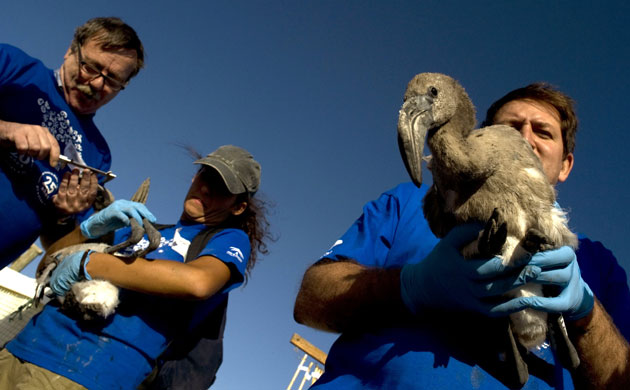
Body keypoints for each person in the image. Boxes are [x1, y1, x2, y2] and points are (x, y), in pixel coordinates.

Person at [293, 83, 630, 389]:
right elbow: (310, 302)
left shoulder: (595, 262)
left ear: (566, 164)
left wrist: (585, 313)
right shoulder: (409, 203)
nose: (525, 139)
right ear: (482, 136)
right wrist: (412, 285)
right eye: (511, 128)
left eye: (543, 132)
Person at [0, 145, 272, 389]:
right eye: (206, 176)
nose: (206, 188)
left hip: (84, 370)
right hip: (23, 344)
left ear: (238, 208)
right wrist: (87, 229)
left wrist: (92, 262)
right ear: (194, 177)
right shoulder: (138, 229)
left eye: (223, 188)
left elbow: (198, 283)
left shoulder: (226, 239)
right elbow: (50, 262)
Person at [0, 16, 145, 266]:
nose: (97, 83)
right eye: (91, 67)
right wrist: (6, 130)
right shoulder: (13, 65)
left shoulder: (98, 155)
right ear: (70, 51)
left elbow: (56, 245)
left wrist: (63, 217)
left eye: (112, 80)